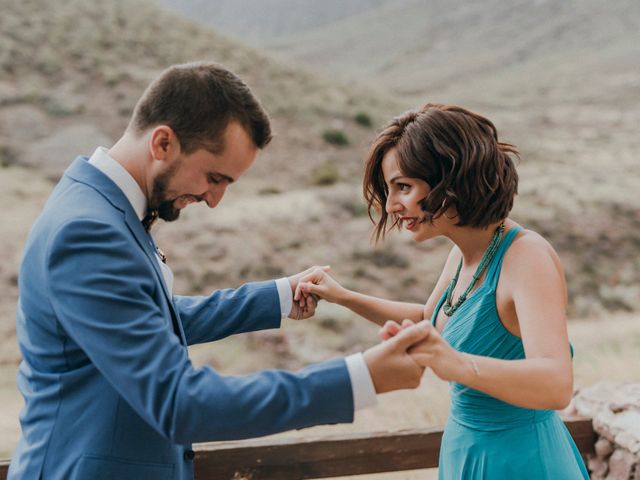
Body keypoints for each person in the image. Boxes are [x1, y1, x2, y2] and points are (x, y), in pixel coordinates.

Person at [9, 62, 431, 480]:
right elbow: (179, 404)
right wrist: (359, 377)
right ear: (162, 143)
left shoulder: (99, 206)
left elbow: (145, 318)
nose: (214, 200)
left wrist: (278, 296)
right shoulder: (89, 232)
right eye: (214, 177)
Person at [296, 104, 590, 479]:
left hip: (522, 461)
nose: (391, 206)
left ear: (452, 177)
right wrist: (345, 297)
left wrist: (455, 364)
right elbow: (432, 320)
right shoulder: (463, 253)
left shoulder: (526, 257)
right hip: (465, 448)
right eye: (388, 191)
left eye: (403, 186)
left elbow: (556, 384)